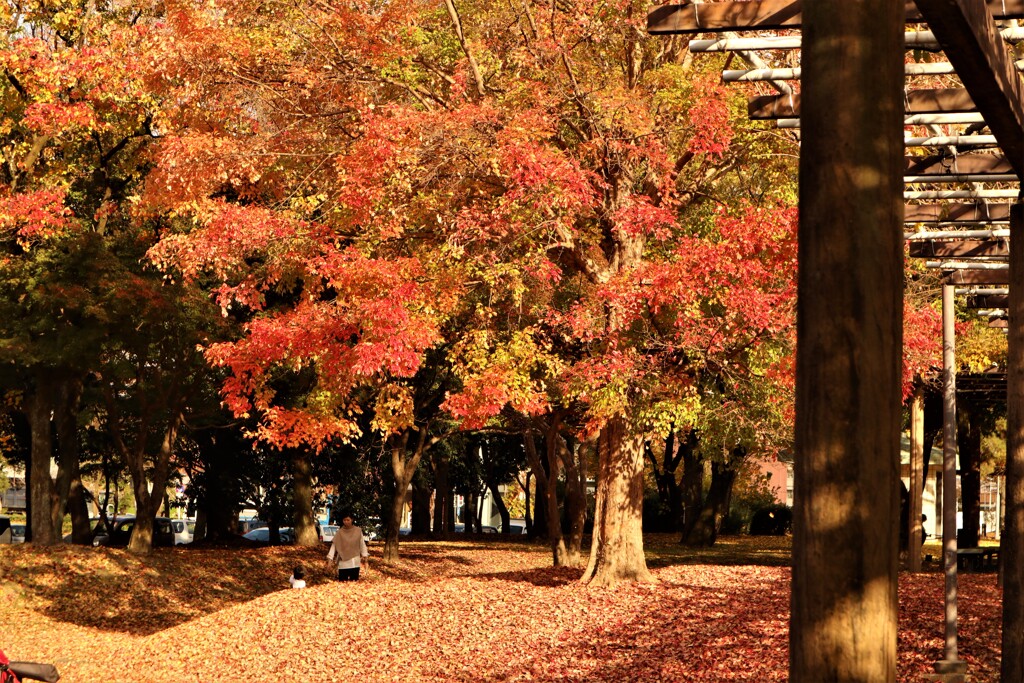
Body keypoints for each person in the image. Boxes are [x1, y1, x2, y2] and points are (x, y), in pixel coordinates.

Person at [326, 513, 369, 581]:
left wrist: (366, 559)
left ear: (352, 520)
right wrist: (329, 561)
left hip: (355, 562)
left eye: (348, 520)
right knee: (343, 584)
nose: (346, 522)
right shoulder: (339, 532)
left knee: (354, 584)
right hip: (343, 563)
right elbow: (334, 546)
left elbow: (362, 545)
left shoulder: (358, 531)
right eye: (344, 520)